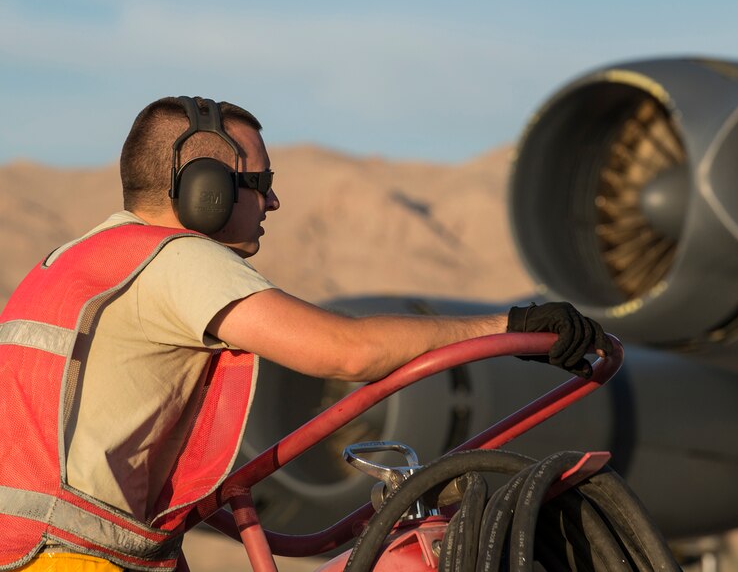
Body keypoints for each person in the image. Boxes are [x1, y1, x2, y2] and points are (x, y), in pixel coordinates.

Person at [0, 96, 612, 571]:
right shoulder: (175, 260)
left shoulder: (77, 259)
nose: (273, 203)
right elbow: (348, 351)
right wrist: (512, 324)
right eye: (261, 185)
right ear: (206, 190)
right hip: (68, 556)